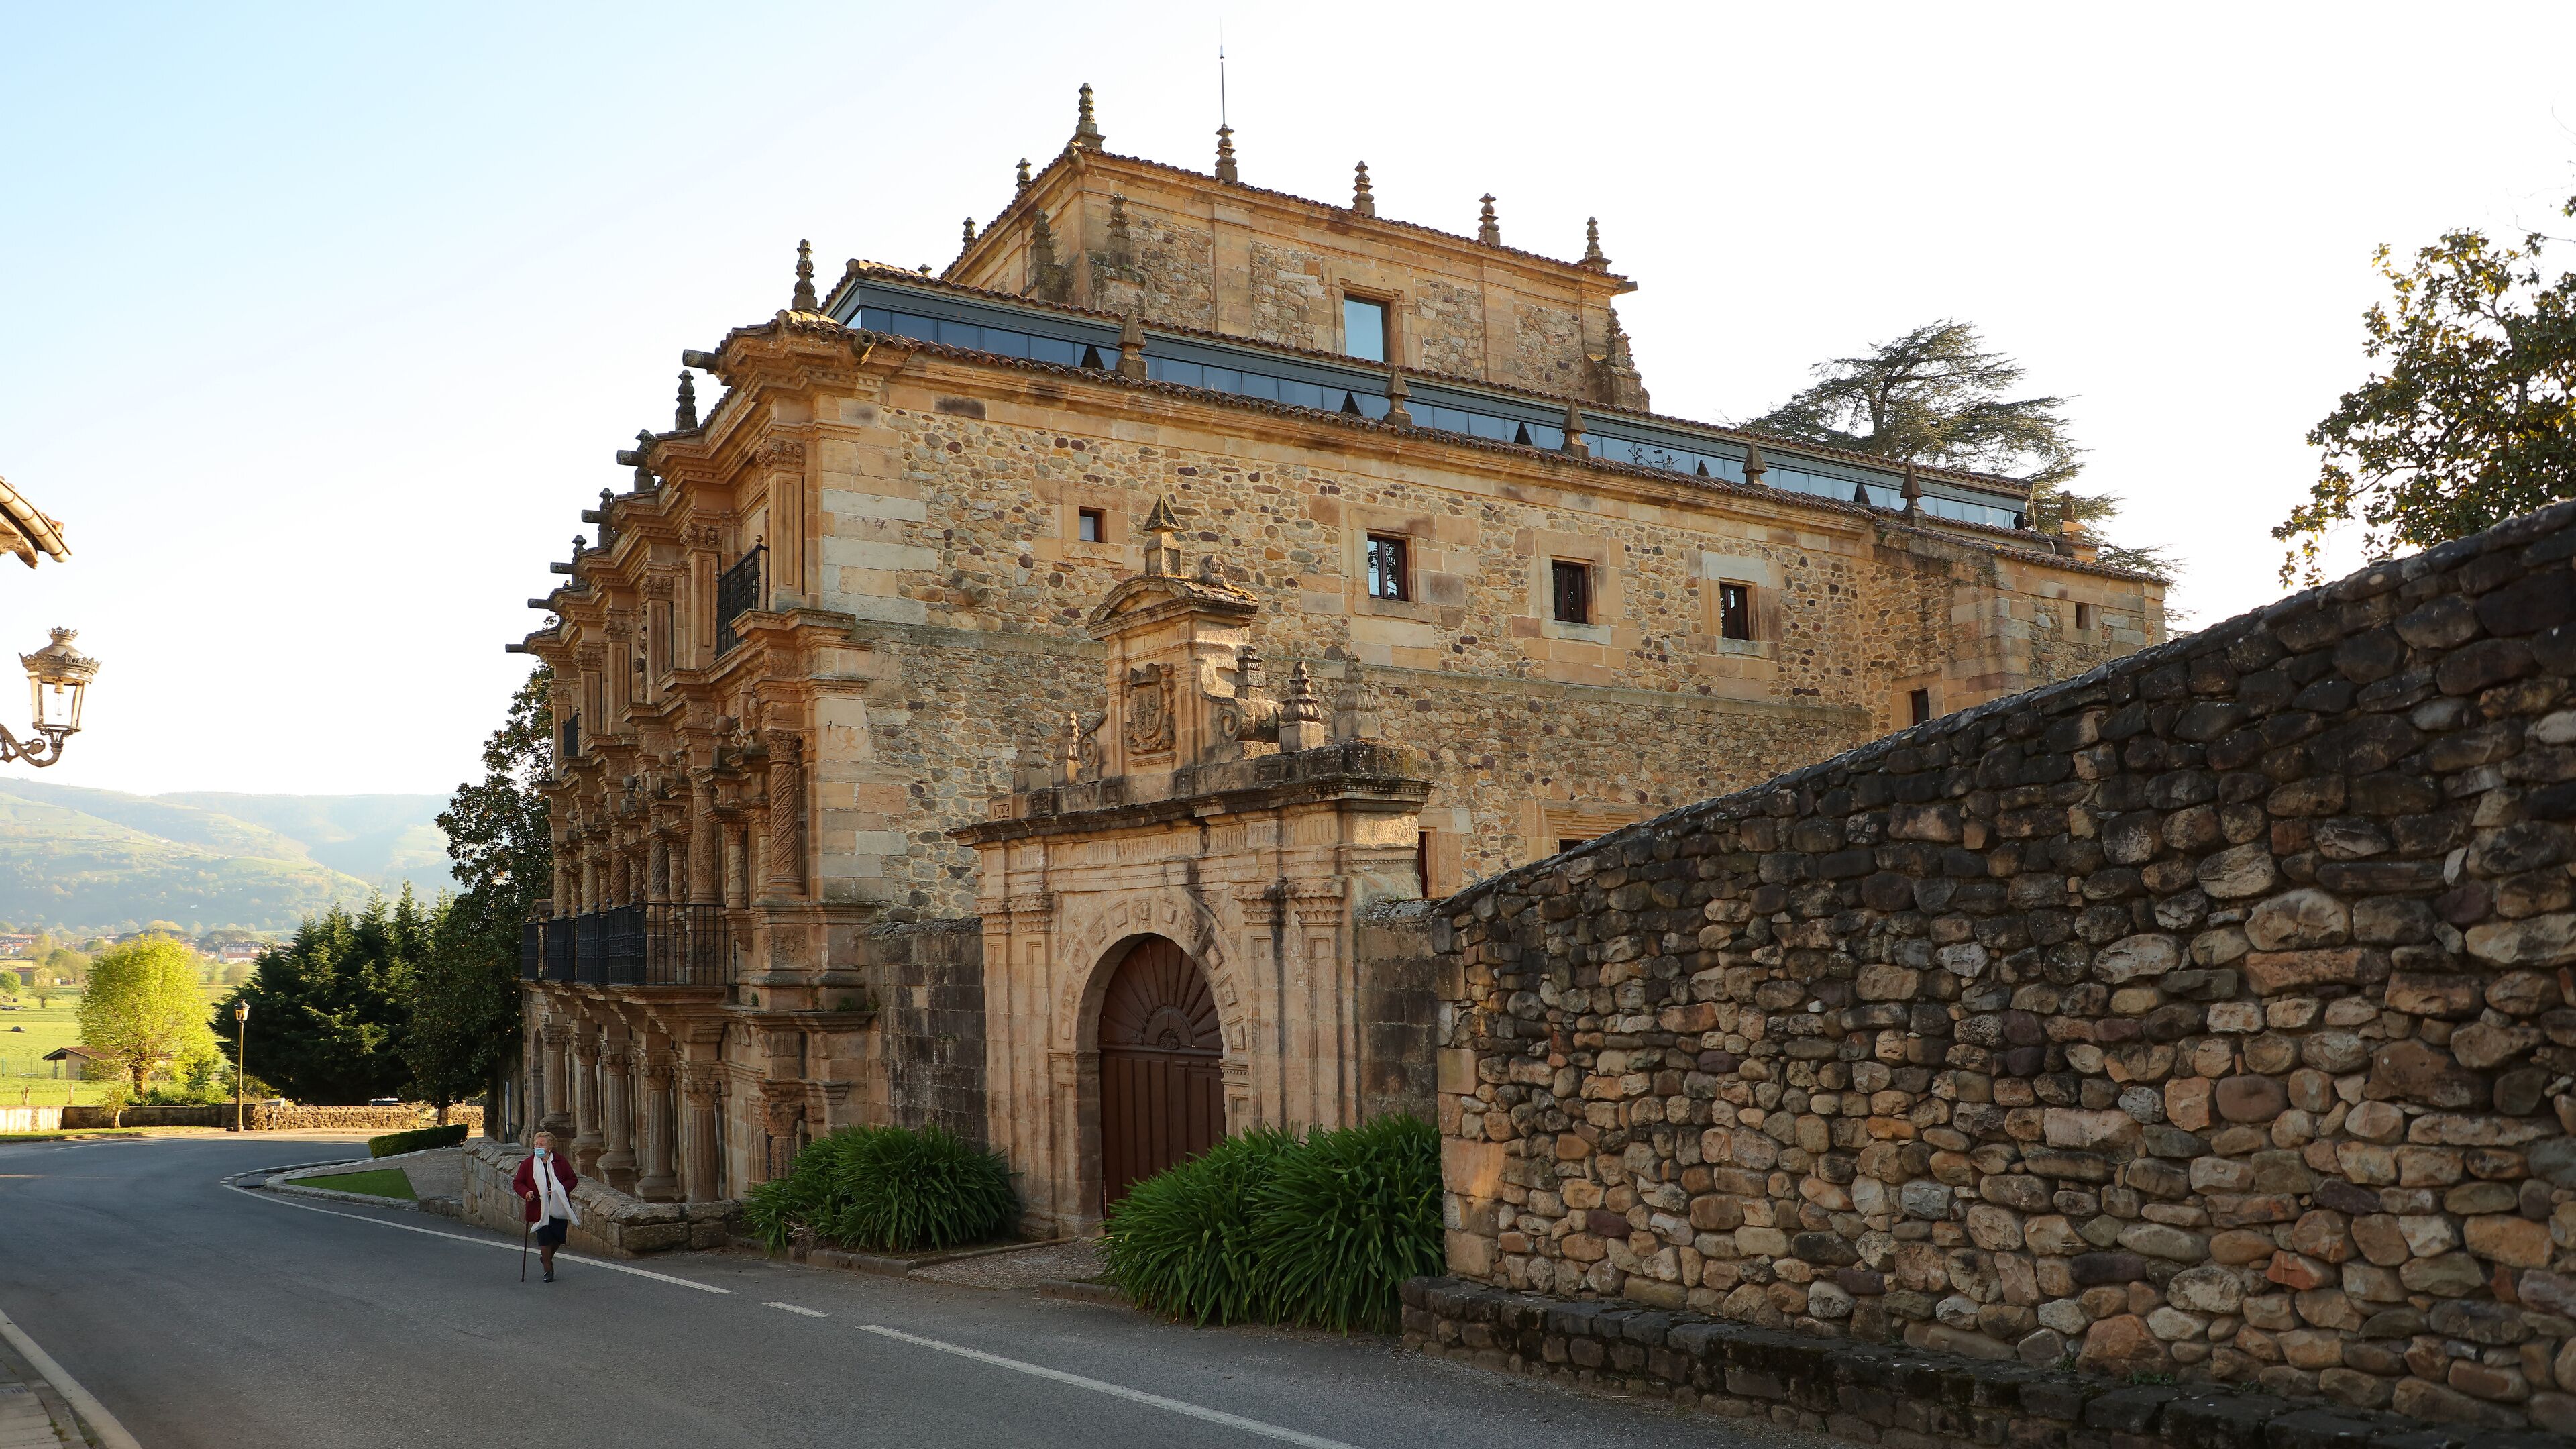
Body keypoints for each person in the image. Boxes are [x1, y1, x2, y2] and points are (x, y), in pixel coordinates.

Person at [512, 1130, 580, 1282]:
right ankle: (548, 1270)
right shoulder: (528, 1164)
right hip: (539, 1206)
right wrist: (526, 1193)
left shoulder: (560, 1161)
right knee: (544, 1237)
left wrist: (559, 1189)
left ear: (550, 1147)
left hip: (558, 1204)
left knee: (558, 1237)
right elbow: (518, 1183)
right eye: (536, 1144)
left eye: (541, 1144)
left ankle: (546, 1258)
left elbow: (572, 1179)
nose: (537, 1147)